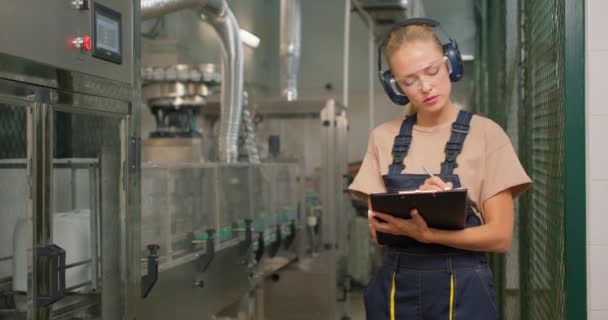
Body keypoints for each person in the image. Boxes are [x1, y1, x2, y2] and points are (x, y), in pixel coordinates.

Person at [348, 18, 532, 320]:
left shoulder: (487, 134)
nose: (425, 86)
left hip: (463, 285)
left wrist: (430, 233)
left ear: (451, 63)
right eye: (409, 81)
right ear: (395, 88)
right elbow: (377, 232)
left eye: (432, 70)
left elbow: (500, 236)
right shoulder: (383, 138)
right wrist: (415, 205)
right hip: (396, 284)